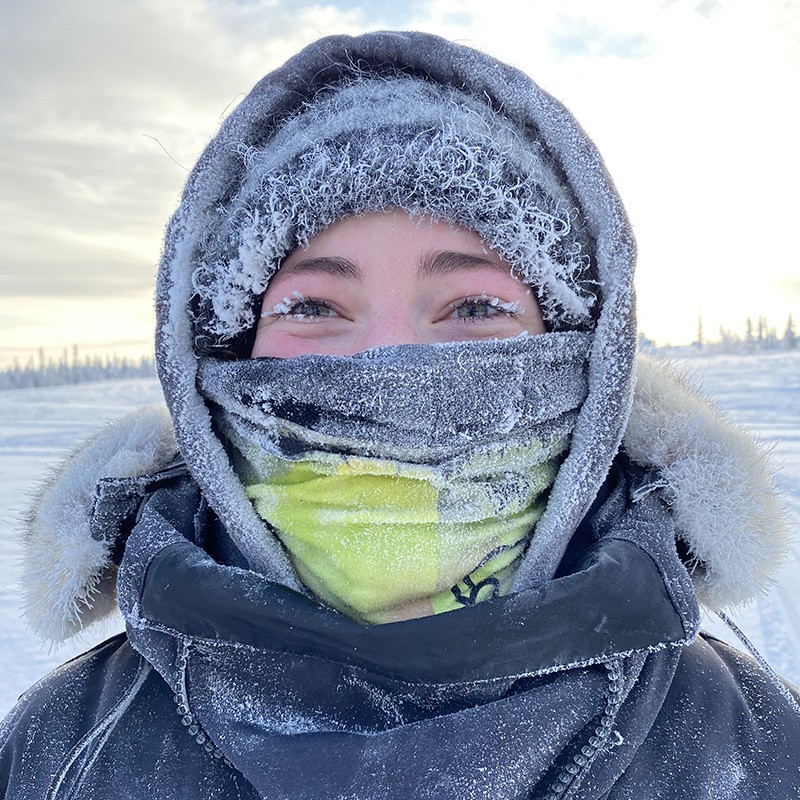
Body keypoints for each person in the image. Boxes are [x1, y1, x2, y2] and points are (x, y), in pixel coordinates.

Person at [1, 30, 798, 799]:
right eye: (314, 304)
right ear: (217, 359)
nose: (387, 361)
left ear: (586, 358)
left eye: (475, 305)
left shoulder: (754, 745)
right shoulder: (61, 750)